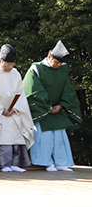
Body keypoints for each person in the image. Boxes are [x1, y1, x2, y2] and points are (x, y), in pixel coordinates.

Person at [24, 40, 82, 172]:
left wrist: (61, 105)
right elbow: (33, 90)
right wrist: (47, 106)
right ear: (49, 57)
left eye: (60, 63)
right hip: (42, 109)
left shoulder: (63, 69)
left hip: (58, 108)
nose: (58, 65)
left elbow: (67, 89)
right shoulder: (36, 69)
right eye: (56, 62)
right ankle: (46, 162)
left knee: (60, 137)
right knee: (45, 138)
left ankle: (61, 163)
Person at [0, 45, 34, 172]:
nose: (10, 67)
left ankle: (15, 164)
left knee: (17, 136)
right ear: (0, 61)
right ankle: (3, 165)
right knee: (2, 138)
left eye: (12, 64)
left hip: (14, 110)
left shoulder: (15, 73)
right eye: (7, 64)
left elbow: (20, 92)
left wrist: (15, 108)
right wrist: (1, 109)